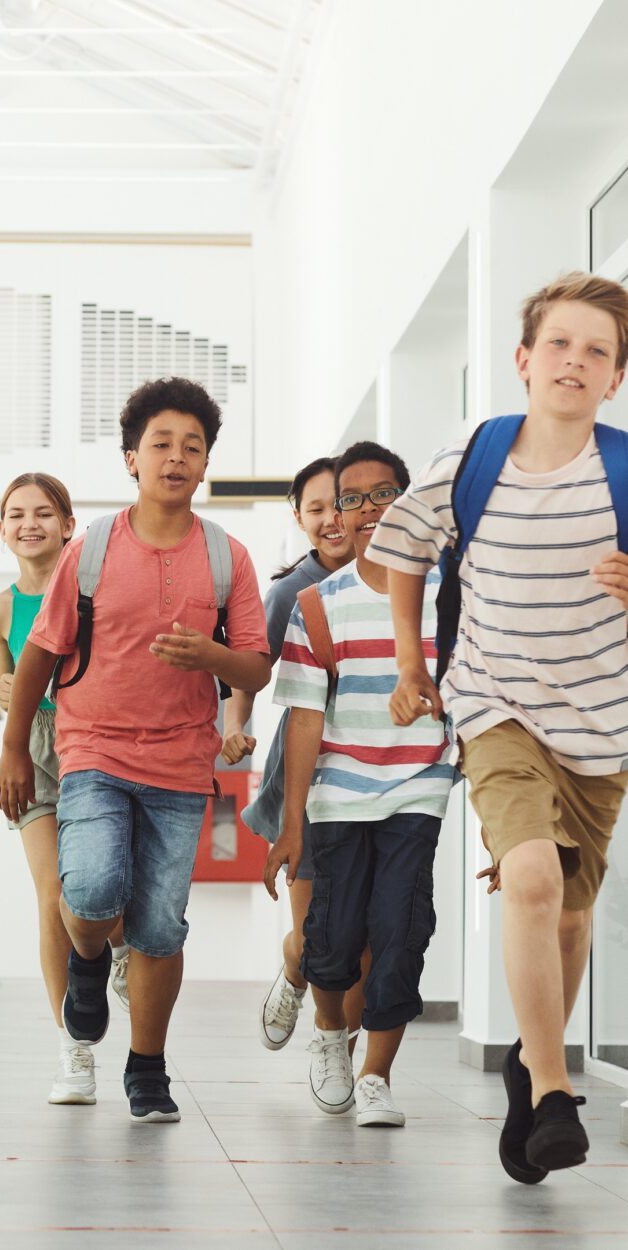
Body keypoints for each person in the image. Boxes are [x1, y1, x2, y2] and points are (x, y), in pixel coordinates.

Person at [373, 272, 628, 1180]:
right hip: (495, 705)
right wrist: (412, 659)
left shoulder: (624, 470)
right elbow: (401, 552)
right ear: (524, 361)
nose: (575, 360)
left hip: (603, 728)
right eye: (560, 344)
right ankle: (557, 1095)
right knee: (528, 879)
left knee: (570, 911)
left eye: (597, 350)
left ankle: (531, 1061)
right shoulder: (472, 457)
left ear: (615, 379)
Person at [0, 377, 269, 1124]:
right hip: (91, 751)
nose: (177, 458)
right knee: (86, 892)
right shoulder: (89, 553)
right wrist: (15, 748)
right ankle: (87, 961)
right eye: (161, 445)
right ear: (131, 460)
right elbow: (41, 655)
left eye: (193, 447)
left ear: (205, 463)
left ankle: (147, 1068)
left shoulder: (227, 557)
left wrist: (208, 658)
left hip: (182, 764)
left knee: (157, 925)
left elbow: (255, 665)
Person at [264, 441, 454, 1128]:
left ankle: (376, 1075)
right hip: (340, 793)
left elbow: (472, 704)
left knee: (401, 930)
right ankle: (327, 1033)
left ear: (409, 501)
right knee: (335, 936)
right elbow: (305, 721)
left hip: (419, 784)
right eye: (353, 498)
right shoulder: (317, 605)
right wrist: (291, 824)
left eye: (384, 494)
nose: (369, 508)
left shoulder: (448, 598)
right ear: (336, 516)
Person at [0, 472, 126, 1106]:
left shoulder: (94, 591)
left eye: (44, 512)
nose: (29, 523)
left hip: (92, 743)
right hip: (34, 751)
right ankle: (74, 1046)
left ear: (69, 525)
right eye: (16, 514)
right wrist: (6, 698)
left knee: (98, 894)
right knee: (50, 898)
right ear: (2, 528)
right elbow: (6, 690)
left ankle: (110, 953)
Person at [223, 458, 364, 1052]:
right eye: (317, 508)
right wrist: (235, 725)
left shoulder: (398, 579)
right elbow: (248, 671)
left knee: (363, 933)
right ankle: (293, 972)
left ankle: (341, 1051)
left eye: (344, 503)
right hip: (307, 769)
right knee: (316, 936)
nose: (333, 519)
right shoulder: (290, 591)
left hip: (377, 765)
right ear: (299, 518)